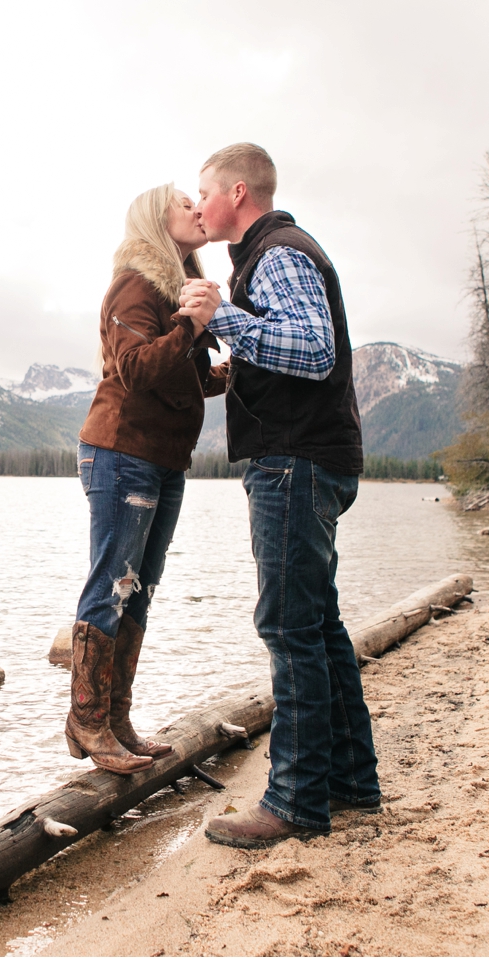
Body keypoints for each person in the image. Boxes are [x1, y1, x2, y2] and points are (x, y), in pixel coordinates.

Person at [179, 143, 381, 845]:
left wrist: (222, 318)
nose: (197, 203)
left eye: (203, 192)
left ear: (238, 193)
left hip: (295, 463)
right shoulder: (268, 255)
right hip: (307, 457)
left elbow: (313, 349)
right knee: (318, 625)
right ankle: (353, 782)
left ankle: (295, 801)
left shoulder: (279, 251)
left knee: (288, 627)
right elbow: (290, 351)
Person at [65, 183, 229, 775]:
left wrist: (224, 373)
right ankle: (86, 719)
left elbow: (180, 377)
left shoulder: (176, 289)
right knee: (114, 582)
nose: (197, 208)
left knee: (142, 587)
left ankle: (116, 718)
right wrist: (191, 325)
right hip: (120, 452)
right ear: (157, 221)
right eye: (185, 203)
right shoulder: (134, 285)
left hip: (163, 457)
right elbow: (136, 370)